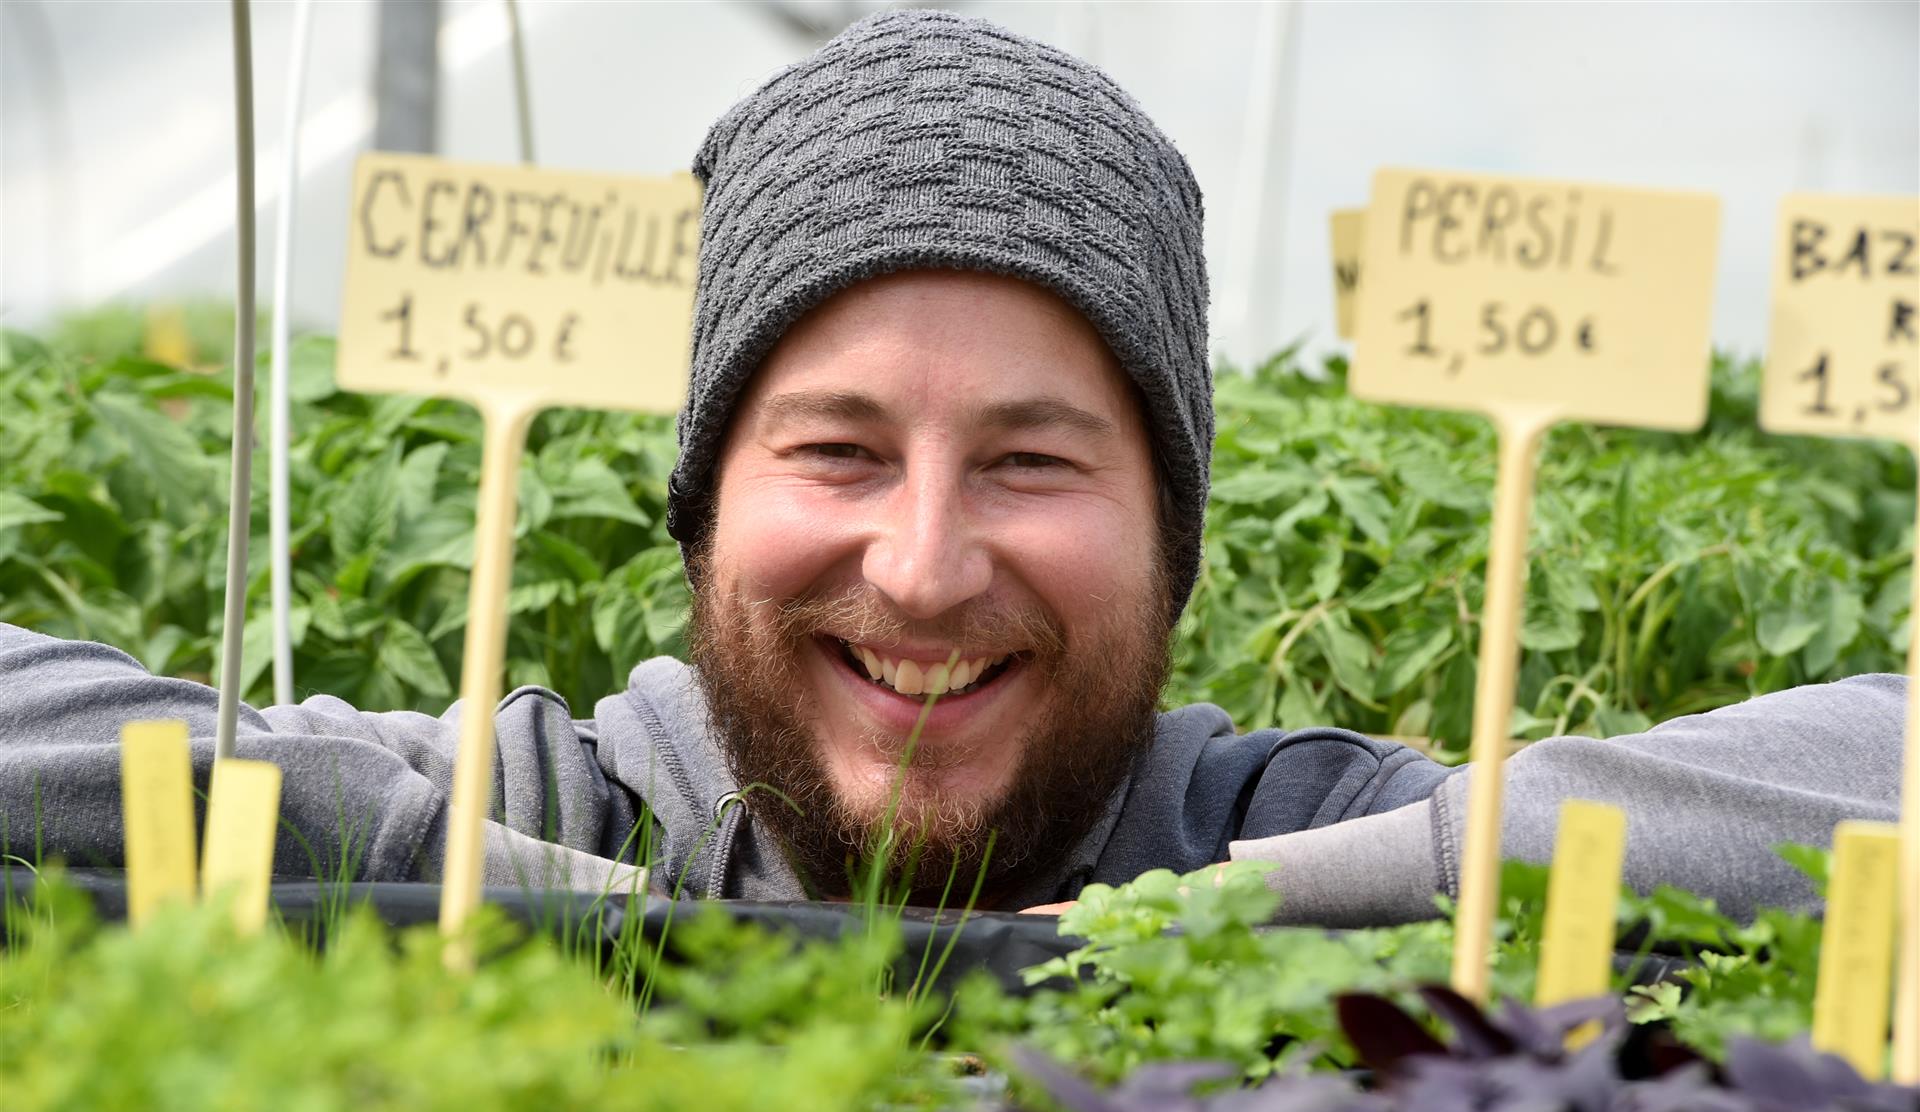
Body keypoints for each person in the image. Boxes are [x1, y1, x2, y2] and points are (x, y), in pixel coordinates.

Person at [0, 9, 1902, 922]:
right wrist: (496, 879)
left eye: (1032, 461)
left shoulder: (1274, 829)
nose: (919, 566)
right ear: (703, 498)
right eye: (834, 446)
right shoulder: (565, 806)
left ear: (1172, 533)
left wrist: (1220, 918)